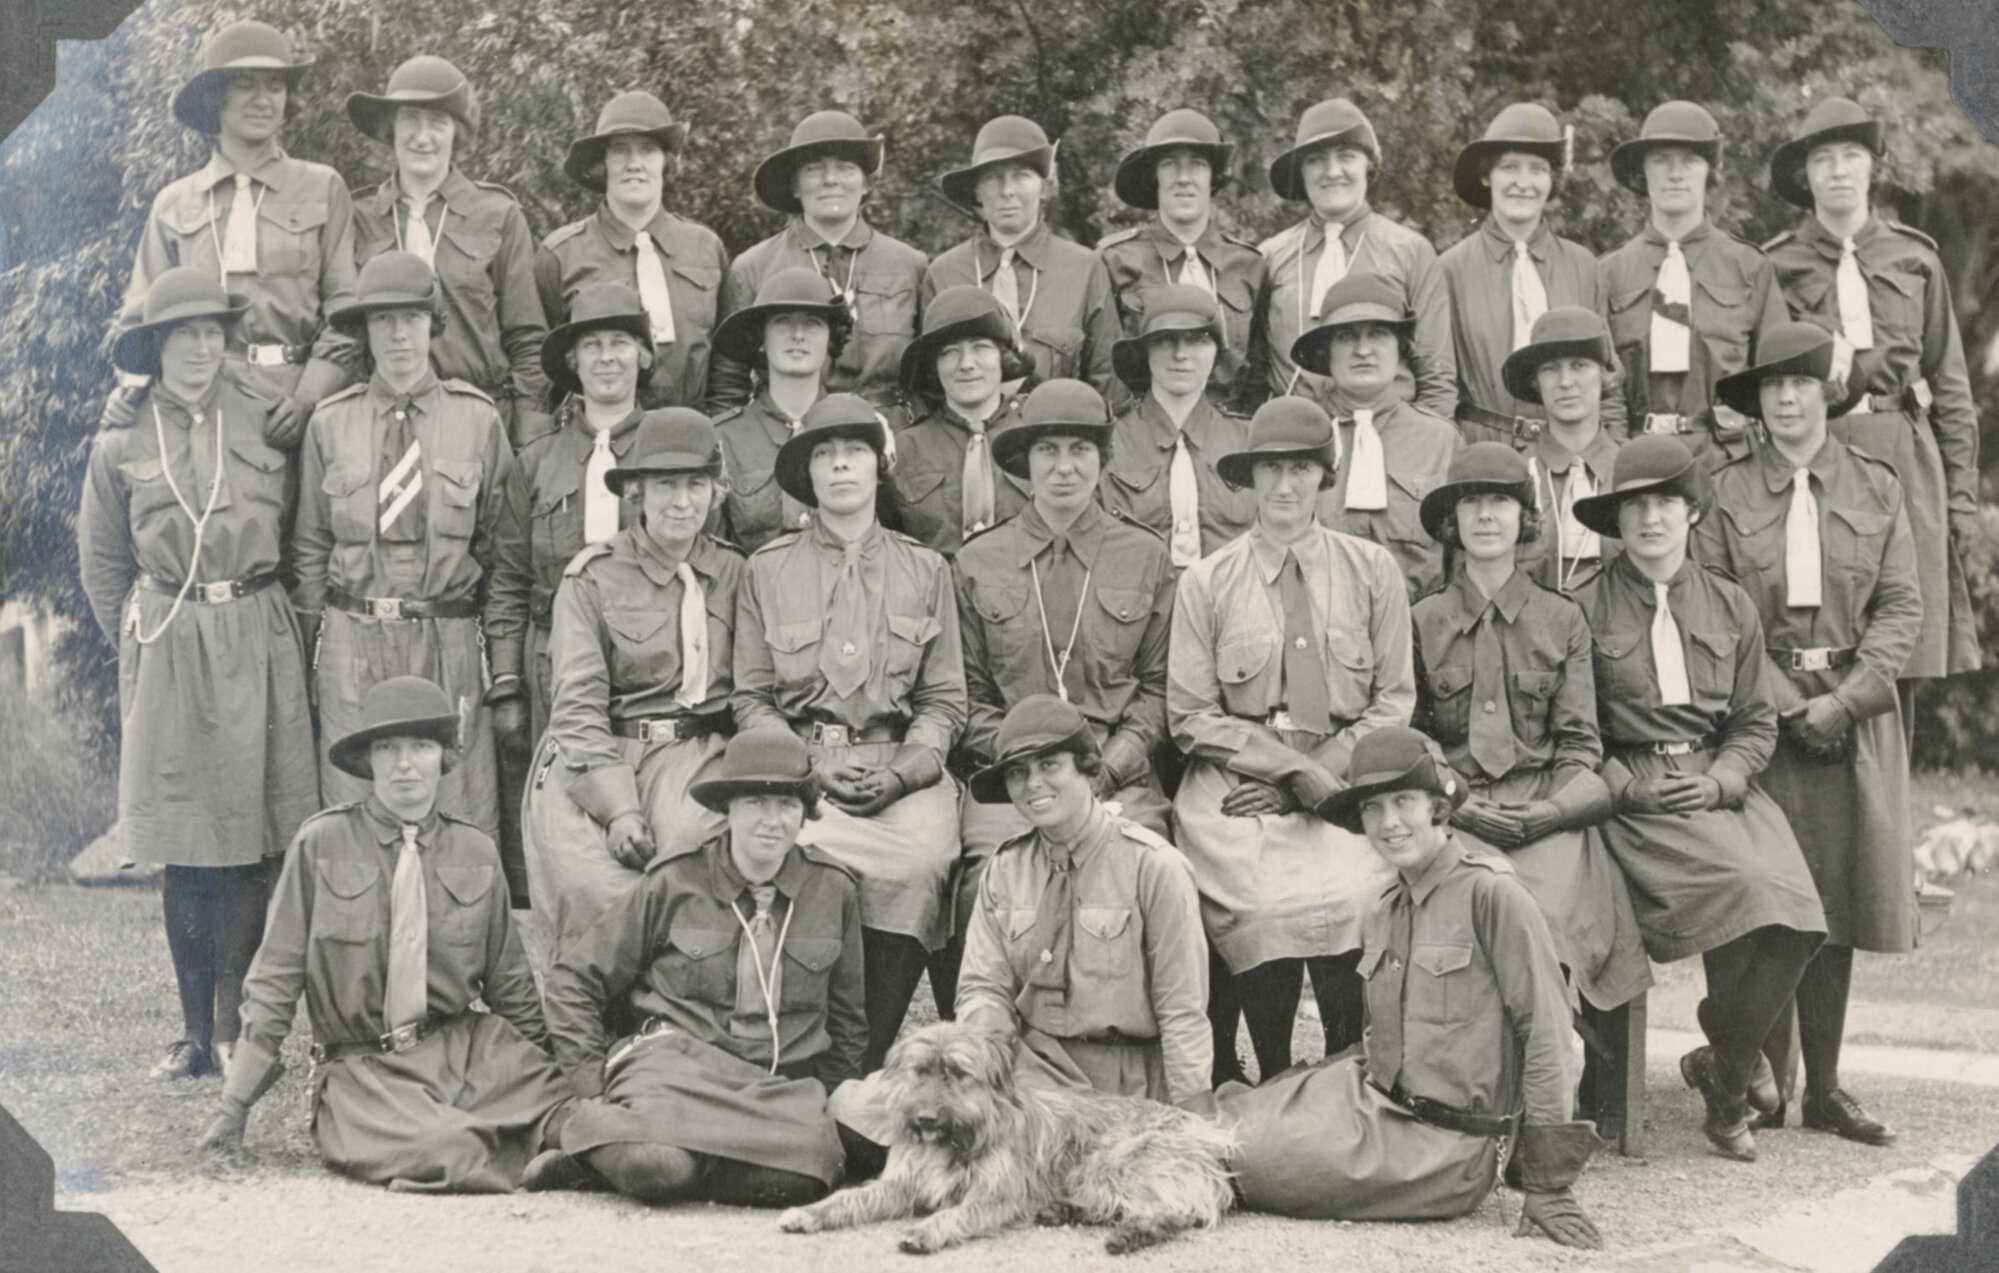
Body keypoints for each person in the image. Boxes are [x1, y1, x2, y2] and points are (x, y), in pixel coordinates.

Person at [1218, 726, 1604, 1250]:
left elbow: (1549, 1036)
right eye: (1373, 808)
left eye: (1404, 802)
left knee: (1233, 1155)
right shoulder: (1386, 905)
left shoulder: (1491, 895)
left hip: (1443, 1149)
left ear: (1439, 810)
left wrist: (1548, 1183)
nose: (1389, 823)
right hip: (1373, 1103)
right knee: (1222, 1116)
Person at [78, 266, 319, 1080]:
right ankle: (190, 1034)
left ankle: (231, 1028)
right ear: (154, 347)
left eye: (212, 335)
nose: (199, 350)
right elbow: (104, 565)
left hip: (256, 626)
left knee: (251, 841)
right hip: (170, 639)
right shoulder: (120, 439)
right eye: (183, 336)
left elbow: (303, 524)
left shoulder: (266, 417)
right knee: (185, 845)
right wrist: (143, 641)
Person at [195, 676, 573, 1193]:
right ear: (366, 761)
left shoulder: (476, 852)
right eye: (386, 748)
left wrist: (547, 1068)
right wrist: (233, 1104)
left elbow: (512, 987)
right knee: (447, 1147)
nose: (404, 763)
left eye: (421, 746)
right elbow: (274, 981)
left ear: (443, 757)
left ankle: (546, 1147)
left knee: (573, 1115)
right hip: (362, 1069)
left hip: (463, 1051)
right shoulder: (320, 845)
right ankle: (520, 1156)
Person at [1568, 434, 1827, 1162]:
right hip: (1636, 799)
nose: (1649, 519)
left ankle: (1724, 1057)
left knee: (1800, 915)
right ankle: (1728, 1094)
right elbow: (1576, 727)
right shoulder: (1582, 608)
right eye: (1634, 505)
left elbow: (1753, 718)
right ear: (1615, 520)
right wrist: (1623, 786)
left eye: (1664, 503)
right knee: (1748, 885)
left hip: (1717, 785)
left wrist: (1723, 779)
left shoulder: (1729, 603)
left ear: (1689, 512)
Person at [1697, 323, 1922, 1145]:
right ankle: (1750, 1077)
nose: (1787, 398)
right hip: (1755, 710)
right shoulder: (1723, 493)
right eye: (1770, 387)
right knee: (1757, 896)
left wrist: (1851, 698)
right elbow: (1716, 609)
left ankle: (1822, 1087)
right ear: (1754, 404)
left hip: (1850, 712)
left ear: (1827, 389)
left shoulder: (1874, 485)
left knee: (1836, 897)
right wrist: (1783, 701)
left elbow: (1901, 604)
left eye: (1799, 382)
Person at [1168, 396, 1412, 1081]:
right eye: (1270, 469)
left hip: (1348, 776)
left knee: (1359, 892)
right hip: (1236, 781)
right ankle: (1268, 1070)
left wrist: (1322, 772)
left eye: (1300, 469)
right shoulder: (1207, 580)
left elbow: (1393, 698)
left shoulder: (1372, 569)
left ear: (1322, 477)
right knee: (1261, 902)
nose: (1284, 486)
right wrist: (1283, 772)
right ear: (1249, 478)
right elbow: (1189, 713)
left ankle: (1345, 1065)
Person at [529, 728, 863, 1206]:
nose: (772, 821)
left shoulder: (834, 891)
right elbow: (574, 981)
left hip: (773, 1085)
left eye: (788, 806)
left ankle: (615, 1160)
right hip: (673, 1071)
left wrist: (828, 1103)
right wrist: (590, 1088)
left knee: (809, 1177)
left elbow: (848, 1020)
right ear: (727, 809)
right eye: (754, 803)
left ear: (805, 814)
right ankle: (583, 1132)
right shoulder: (675, 880)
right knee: (657, 1167)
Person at [733, 393, 968, 1071]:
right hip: (801, 765)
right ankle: (783, 1055)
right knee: (779, 856)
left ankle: (860, 1061)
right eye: (825, 455)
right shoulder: (765, 570)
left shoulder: (925, 569)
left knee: (923, 862)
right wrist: (805, 764)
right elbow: (750, 698)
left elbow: (943, 699)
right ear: (806, 474)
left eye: (855, 452)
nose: (840, 467)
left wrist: (905, 773)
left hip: (898, 763)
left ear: (877, 468)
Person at [945, 380, 1176, 1013]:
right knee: (980, 883)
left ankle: (1123, 1044)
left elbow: (1157, 690)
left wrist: (1103, 770)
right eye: (1048, 450)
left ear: (1103, 459)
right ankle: (984, 1049)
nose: (1064, 467)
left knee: (1147, 879)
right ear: (1025, 464)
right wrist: (1032, 774)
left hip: (1116, 777)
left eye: (1080, 449)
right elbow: (969, 694)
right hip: (1011, 785)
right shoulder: (979, 561)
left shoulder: (1145, 557)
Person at [292, 250, 531, 842]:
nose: (398, 334)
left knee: (459, 813)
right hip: (354, 641)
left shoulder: (477, 420)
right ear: (364, 331)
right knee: (352, 816)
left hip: (447, 638)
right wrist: (308, 665)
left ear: (434, 323)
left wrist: (501, 673)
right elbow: (309, 551)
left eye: (412, 318)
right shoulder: (329, 424)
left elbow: (506, 558)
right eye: (382, 320)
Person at [1409, 442, 1652, 1023]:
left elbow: (1578, 741)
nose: (1486, 516)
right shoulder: (1421, 619)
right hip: (1454, 811)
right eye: (1472, 504)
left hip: (1544, 803)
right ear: (1453, 523)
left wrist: (1555, 812)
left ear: (1525, 520)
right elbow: (1414, 743)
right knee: (1463, 911)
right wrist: (1458, 808)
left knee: (1563, 910)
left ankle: (1554, 1068)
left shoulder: (1562, 617)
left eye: (1501, 502)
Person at [1763, 95, 1983, 703]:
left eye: (1852, 155)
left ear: (1872, 168)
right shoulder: (1777, 265)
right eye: (1823, 158)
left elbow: (1951, 387)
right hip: (1819, 451)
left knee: (1900, 630)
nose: (1838, 170)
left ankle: (1893, 794)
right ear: (1804, 176)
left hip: (1904, 455)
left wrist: (1960, 503)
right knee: (1819, 617)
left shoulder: (1916, 258)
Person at [525, 408, 743, 960]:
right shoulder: (592, 575)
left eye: (696, 484)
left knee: (696, 878)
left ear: (715, 493)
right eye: (665, 484)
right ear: (637, 493)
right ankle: (589, 1031)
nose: (681, 501)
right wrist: (620, 809)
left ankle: (676, 1028)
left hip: (696, 754)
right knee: (595, 888)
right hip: (596, 754)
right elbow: (576, 706)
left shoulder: (737, 574)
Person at [105, 19, 356, 444]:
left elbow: (346, 316)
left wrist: (307, 400)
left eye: (275, 86)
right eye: (246, 84)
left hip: (292, 404)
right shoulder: (175, 203)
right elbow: (141, 319)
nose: (264, 100)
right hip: (195, 401)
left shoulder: (322, 187)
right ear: (216, 97)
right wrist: (129, 389)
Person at [956, 695, 1209, 1103]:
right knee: (869, 1112)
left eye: (1049, 764)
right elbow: (982, 989)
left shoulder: (1154, 867)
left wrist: (1196, 1117)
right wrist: (984, 1049)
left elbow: (1182, 1013)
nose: (1033, 783)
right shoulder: (1005, 869)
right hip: (1031, 1073)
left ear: (1088, 770)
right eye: (1018, 772)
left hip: (1126, 1086)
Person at [347, 55, 552, 448]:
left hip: (479, 413)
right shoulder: (360, 217)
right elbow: (344, 331)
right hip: (382, 418)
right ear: (391, 130)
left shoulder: (497, 215)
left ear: (455, 133)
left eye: (437, 123)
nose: (423, 137)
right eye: (410, 120)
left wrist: (529, 422)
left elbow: (527, 335)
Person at [1598, 101, 1787, 468]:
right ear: (1642, 173)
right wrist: (1617, 458)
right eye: (1660, 160)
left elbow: (1777, 379)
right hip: (1639, 458)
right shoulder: (1609, 273)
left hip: (1732, 460)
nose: (1675, 173)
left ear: (1710, 172)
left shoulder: (1748, 267)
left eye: (1690, 161)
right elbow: (1601, 385)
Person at [713, 111, 927, 410]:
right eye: (814, 170)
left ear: (866, 184)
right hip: (786, 433)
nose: (830, 181)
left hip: (889, 431)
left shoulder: (909, 265)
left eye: (846, 168)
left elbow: (929, 374)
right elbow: (728, 383)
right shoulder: (753, 267)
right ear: (796, 186)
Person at [515, 283, 655, 738]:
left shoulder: (671, 453)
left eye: (620, 343)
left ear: (644, 356)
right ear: (574, 362)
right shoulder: (537, 460)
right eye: (591, 346)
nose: (606, 357)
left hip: (650, 661)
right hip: (553, 657)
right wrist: (504, 679)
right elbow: (508, 576)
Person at [1439, 102, 1624, 447]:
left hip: (1572, 449)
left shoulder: (1582, 265)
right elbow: (1439, 384)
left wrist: (1611, 454)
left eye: (1537, 170)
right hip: (1484, 449)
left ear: (1551, 180)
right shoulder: (1451, 269)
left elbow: (1607, 380)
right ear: (1486, 176)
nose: (1523, 183)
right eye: (1510, 167)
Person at [1258, 98, 1454, 418]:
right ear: (1302, 173)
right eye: (1317, 160)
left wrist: (1424, 447)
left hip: (1389, 436)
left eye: (1346, 157)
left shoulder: (1409, 251)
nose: (1332, 171)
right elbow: (1254, 371)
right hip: (1298, 444)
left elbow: (1437, 376)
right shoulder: (1271, 256)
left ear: (1369, 165)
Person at [537, 91, 728, 412]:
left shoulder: (704, 247)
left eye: (648, 150)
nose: (634, 163)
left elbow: (726, 363)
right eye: (620, 150)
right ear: (602, 165)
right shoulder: (561, 254)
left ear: (666, 163)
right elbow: (541, 363)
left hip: (692, 437)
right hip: (599, 436)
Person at [1291, 271, 1463, 602]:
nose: (1363, 350)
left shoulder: (1440, 441)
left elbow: (1461, 565)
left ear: (1401, 349)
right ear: (1326, 352)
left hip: (1418, 634)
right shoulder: (1298, 436)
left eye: (1379, 334)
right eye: (1346, 336)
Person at [924, 115, 1120, 395]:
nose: (1007, 191)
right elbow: (928, 386)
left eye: (1022, 176)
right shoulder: (944, 273)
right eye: (993, 178)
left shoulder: (1085, 268)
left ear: (1045, 187)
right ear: (977, 190)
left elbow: (1106, 380)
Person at [1097, 108, 1268, 412]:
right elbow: (1104, 368)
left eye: (1198, 165)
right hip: (1144, 431)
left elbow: (1257, 374)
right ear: (1154, 177)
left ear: (1214, 177)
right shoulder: (1115, 259)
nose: (1184, 178)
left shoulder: (1248, 264)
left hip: (1227, 435)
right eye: (1170, 165)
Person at [1098, 283, 1254, 568]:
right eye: (1165, 340)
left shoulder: (1248, 441)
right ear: (1146, 351)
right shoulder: (1110, 441)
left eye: (1197, 340)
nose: (1181, 354)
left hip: (1230, 604)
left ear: (1217, 352)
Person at [891, 285, 1033, 556]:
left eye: (981, 348)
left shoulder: (1033, 437)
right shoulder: (907, 447)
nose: (967, 364)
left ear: (1003, 358)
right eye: (950, 352)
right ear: (935, 365)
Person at [1498, 307, 1626, 592]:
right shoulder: (1513, 473)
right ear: (1536, 381)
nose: (1566, 382)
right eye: (1551, 368)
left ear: (1604, 376)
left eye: (1580, 365)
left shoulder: (1632, 472)